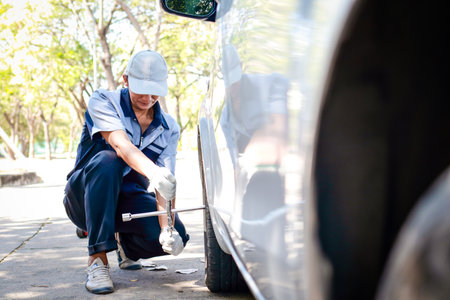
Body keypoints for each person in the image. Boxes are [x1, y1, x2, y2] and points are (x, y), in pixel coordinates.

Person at [63, 50, 189, 294]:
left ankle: (126, 247)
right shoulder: (103, 101)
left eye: (155, 91)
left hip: (127, 201)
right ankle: (98, 259)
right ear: (126, 80)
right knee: (108, 160)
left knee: (177, 235)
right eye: (141, 89)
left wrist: (167, 228)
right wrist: (154, 172)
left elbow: (165, 183)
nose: (148, 97)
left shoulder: (168, 128)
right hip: (83, 199)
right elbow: (121, 146)